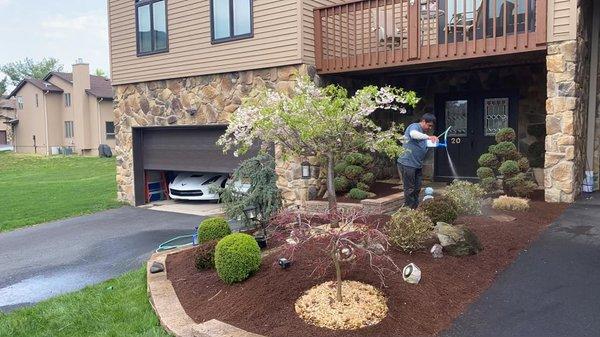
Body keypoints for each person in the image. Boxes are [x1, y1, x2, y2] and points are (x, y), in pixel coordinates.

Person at [397, 113, 438, 209]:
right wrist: (429, 137)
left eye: (431, 126)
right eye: (429, 125)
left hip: (417, 165)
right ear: (423, 121)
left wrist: (434, 141)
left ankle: (415, 208)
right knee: (409, 189)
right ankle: (409, 210)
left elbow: (423, 143)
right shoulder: (414, 127)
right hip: (407, 163)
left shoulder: (423, 135)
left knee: (417, 188)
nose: (430, 128)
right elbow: (413, 135)